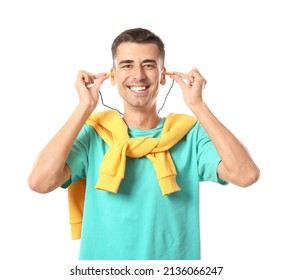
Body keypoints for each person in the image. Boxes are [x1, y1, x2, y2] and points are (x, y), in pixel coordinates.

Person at [28, 27, 260, 260]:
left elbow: (246, 175)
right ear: (113, 75)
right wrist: (83, 108)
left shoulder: (190, 135)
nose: (138, 75)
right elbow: (40, 182)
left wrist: (197, 104)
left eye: (148, 65)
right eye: (127, 65)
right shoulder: (94, 135)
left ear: (162, 75)